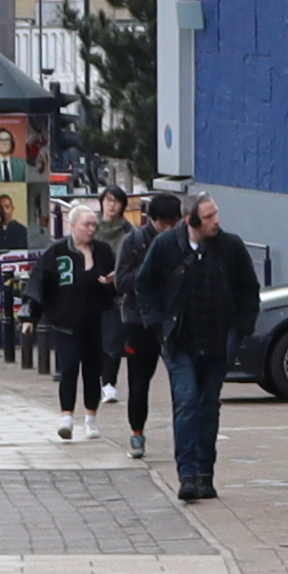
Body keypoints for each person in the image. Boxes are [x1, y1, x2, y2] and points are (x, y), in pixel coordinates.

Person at [163, 188, 262, 504]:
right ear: (191, 220)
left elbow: (249, 287)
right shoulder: (167, 246)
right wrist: (158, 324)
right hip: (180, 341)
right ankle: (187, 474)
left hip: (217, 342)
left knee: (208, 406)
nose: (216, 221)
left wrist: (243, 327)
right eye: (209, 217)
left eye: (216, 213)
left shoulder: (229, 246)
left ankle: (205, 474)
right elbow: (143, 284)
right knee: (187, 401)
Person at [35, 204, 123, 441]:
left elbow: (119, 278)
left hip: (95, 321)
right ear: (72, 225)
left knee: (93, 372)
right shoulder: (56, 252)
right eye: (86, 225)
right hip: (65, 321)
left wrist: (111, 283)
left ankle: (91, 418)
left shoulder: (103, 251)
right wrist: (29, 314)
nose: (91, 229)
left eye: (94, 225)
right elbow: (39, 281)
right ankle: (66, 417)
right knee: (69, 368)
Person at [118, 186, 186, 467]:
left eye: (174, 224)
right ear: (152, 219)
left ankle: (183, 439)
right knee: (138, 382)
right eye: (164, 224)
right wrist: (149, 267)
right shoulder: (132, 242)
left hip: (172, 320)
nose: (169, 229)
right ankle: (137, 434)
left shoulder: (182, 242)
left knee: (182, 381)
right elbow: (121, 281)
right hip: (138, 322)